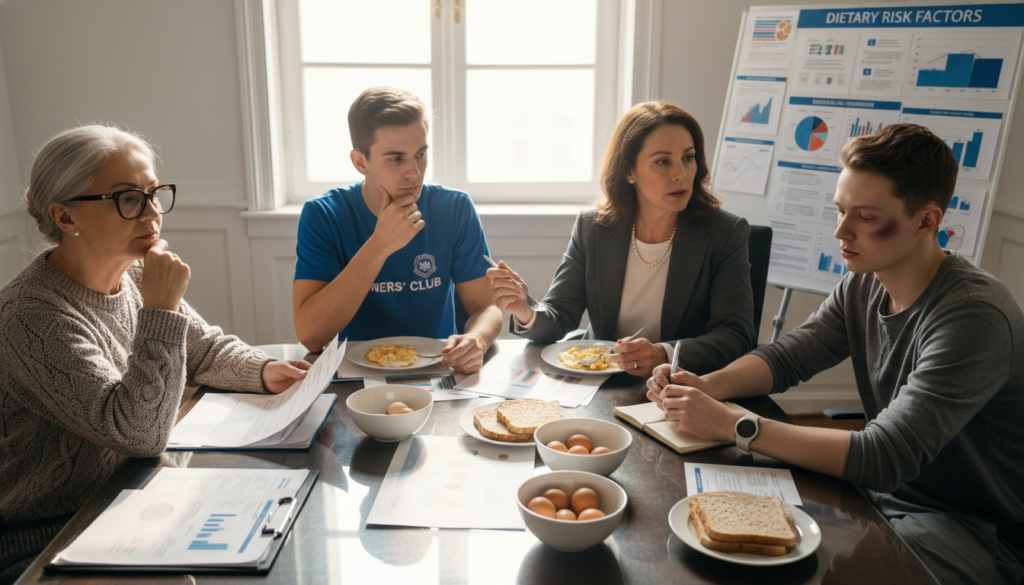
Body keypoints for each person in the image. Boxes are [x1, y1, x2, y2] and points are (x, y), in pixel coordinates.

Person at [647, 123, 1024, 585]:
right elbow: (789, 356)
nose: (840, 232)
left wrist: (732, 424)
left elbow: (885, 455)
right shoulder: (864, 281)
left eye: (864, 217)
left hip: (974, 527)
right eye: (840, 211)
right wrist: (706, 386)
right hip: (883, 495)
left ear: (926, 221)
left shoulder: (974, 317)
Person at [0, 125, 311, 583]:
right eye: (127, 198)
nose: (151, 214)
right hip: (51, 538)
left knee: (281, 528)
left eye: (153, 193)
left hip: (129, 498)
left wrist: (264, 369)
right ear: (65, 218)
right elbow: (139, 432)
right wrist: (161, 308)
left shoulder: (129, 276)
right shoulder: (31, 318)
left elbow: (202, 350)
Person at [487, 101, 757, 377]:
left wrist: (663, 352)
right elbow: (560, 315)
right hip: (601, 381)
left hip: (681, 386)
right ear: (629, 171)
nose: (681, 174)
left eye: (688, 158)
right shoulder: (593, 227)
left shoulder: (725, 232)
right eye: (663, 162)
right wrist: (525, 311)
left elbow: (737, 335)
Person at [293, 86, 501, 373]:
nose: (414, 172)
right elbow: (311, 336)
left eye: (421, 154)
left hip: (436, 369)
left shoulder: (454, 208)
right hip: (354, 375)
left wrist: (476, 339)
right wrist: (380, 244)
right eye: (396, 158)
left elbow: (486, 308)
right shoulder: (324, 215)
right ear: (360, 162)